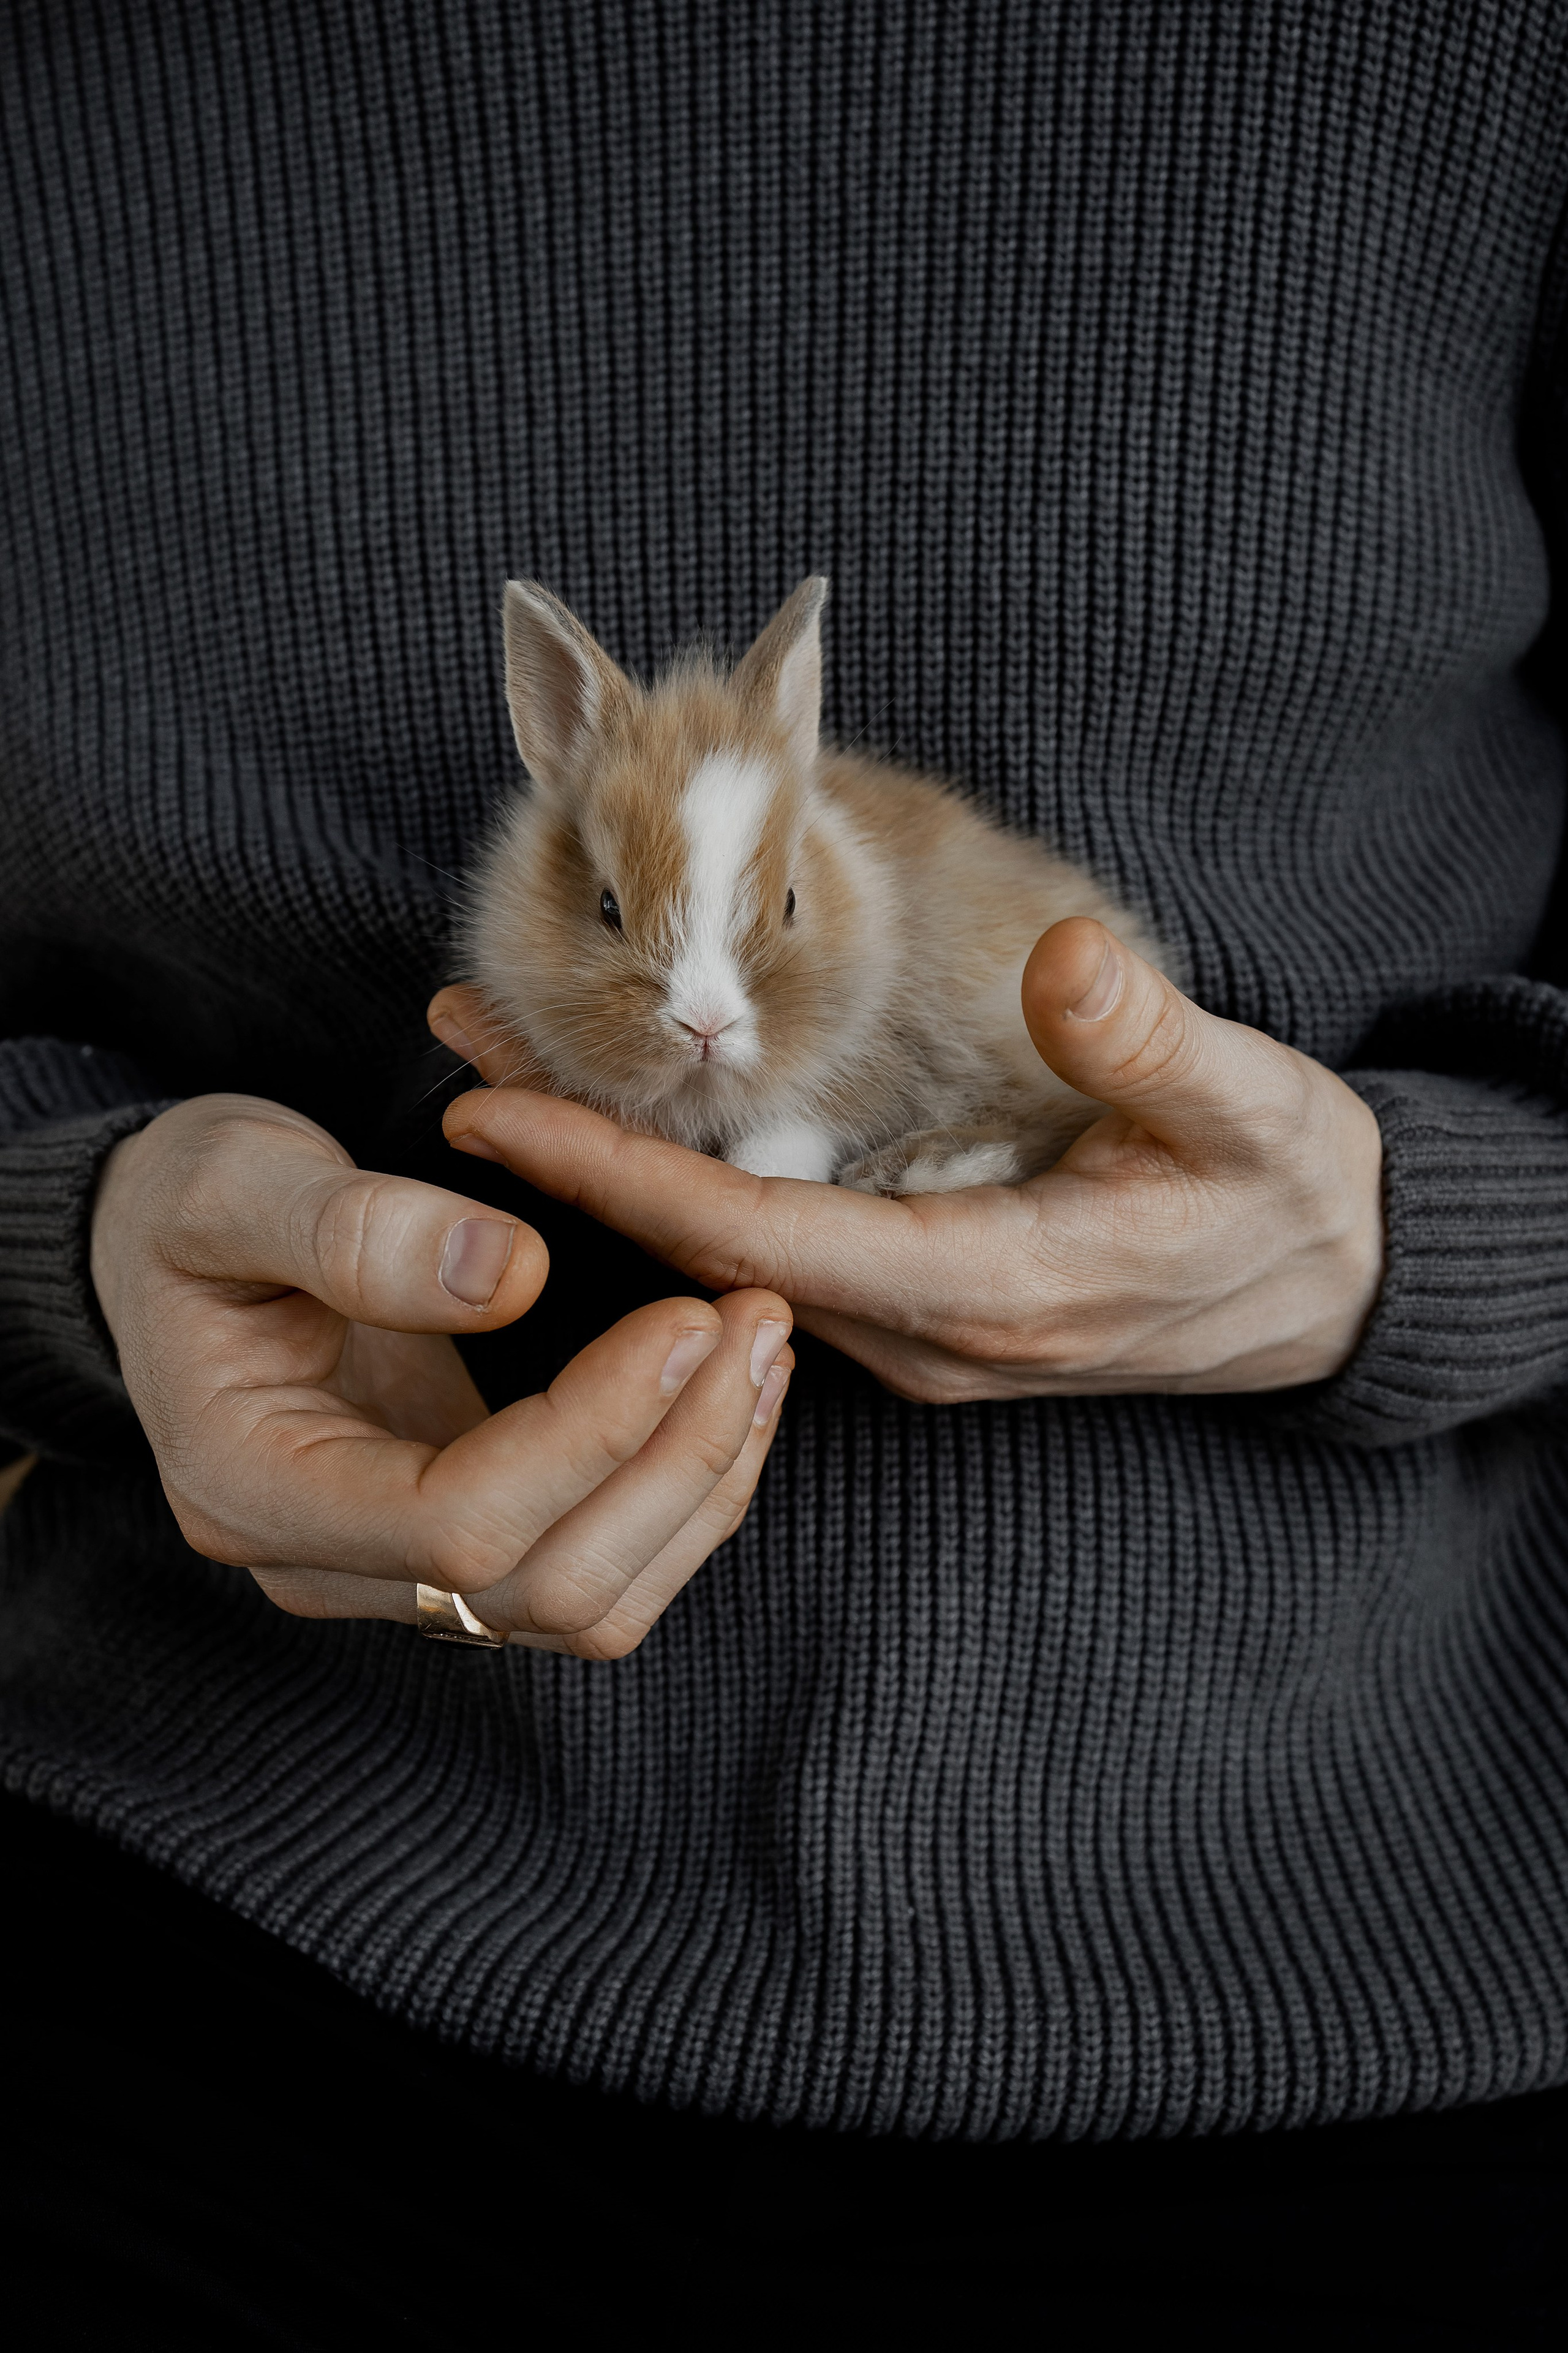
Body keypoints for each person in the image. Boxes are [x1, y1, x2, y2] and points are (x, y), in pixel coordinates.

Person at [4, 3, 1566, 2340]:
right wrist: (73, 1222)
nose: (692, 1009)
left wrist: (1425, 1233)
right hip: (244, 1883)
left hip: (1347, 1905)